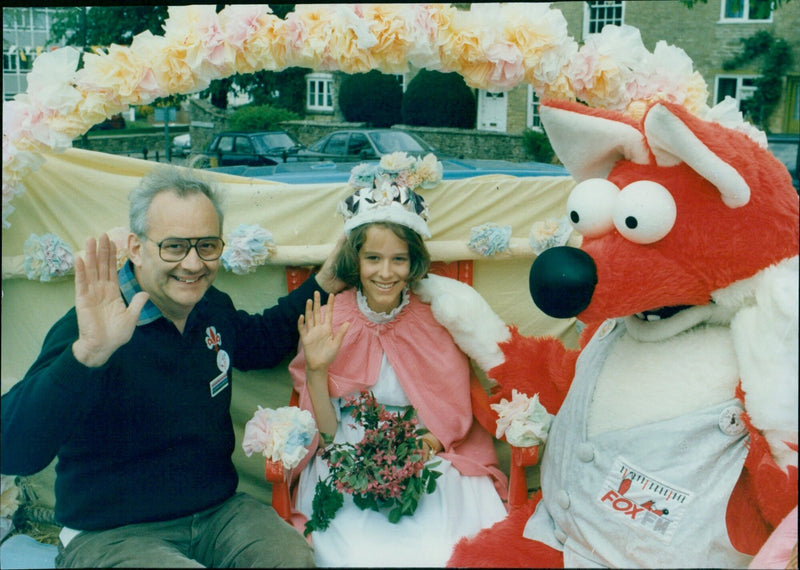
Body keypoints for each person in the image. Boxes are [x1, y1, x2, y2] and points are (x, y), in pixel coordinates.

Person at [1, 166, 344, 568]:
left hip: (218, 514)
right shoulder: (90, 328)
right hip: (112, 532)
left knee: (290, 558)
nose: (194, 264)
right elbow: (13, 451)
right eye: (175, 247)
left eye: (207, 246)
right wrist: (89, 354)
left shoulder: (210, 306)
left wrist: (330, 277)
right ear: (136, 246)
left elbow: (262, 340)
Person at [288, 177, 509, 567]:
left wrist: (415, 452)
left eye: (399, 260)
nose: (385, 272)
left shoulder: (432, 318)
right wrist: (318, 370)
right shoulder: (331, 316)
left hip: (421, 446)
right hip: (346, 451)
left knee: (442, 547)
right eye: (373, 258)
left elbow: (449, 409)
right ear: (355, 260)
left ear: (413, 263)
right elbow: (325, 433)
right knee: (354, 552)